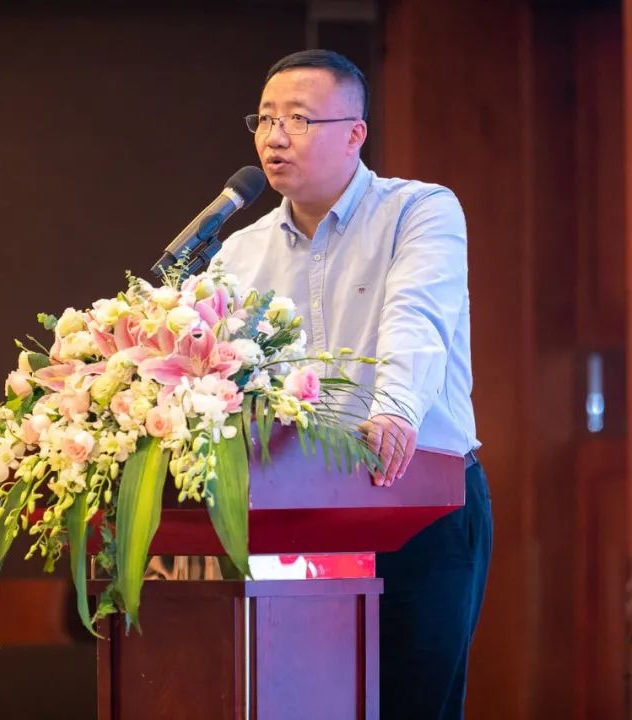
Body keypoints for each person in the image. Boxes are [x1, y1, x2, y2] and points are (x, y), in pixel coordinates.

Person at [211, 49, 492, 719]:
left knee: (413, 705)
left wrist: (394, 411)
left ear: (354, 134)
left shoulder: (420, 212)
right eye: (265, 119)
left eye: (299, 118)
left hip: (417, 503)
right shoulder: (240, 252)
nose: (275, 136)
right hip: (295, 515)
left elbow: (417, 319)